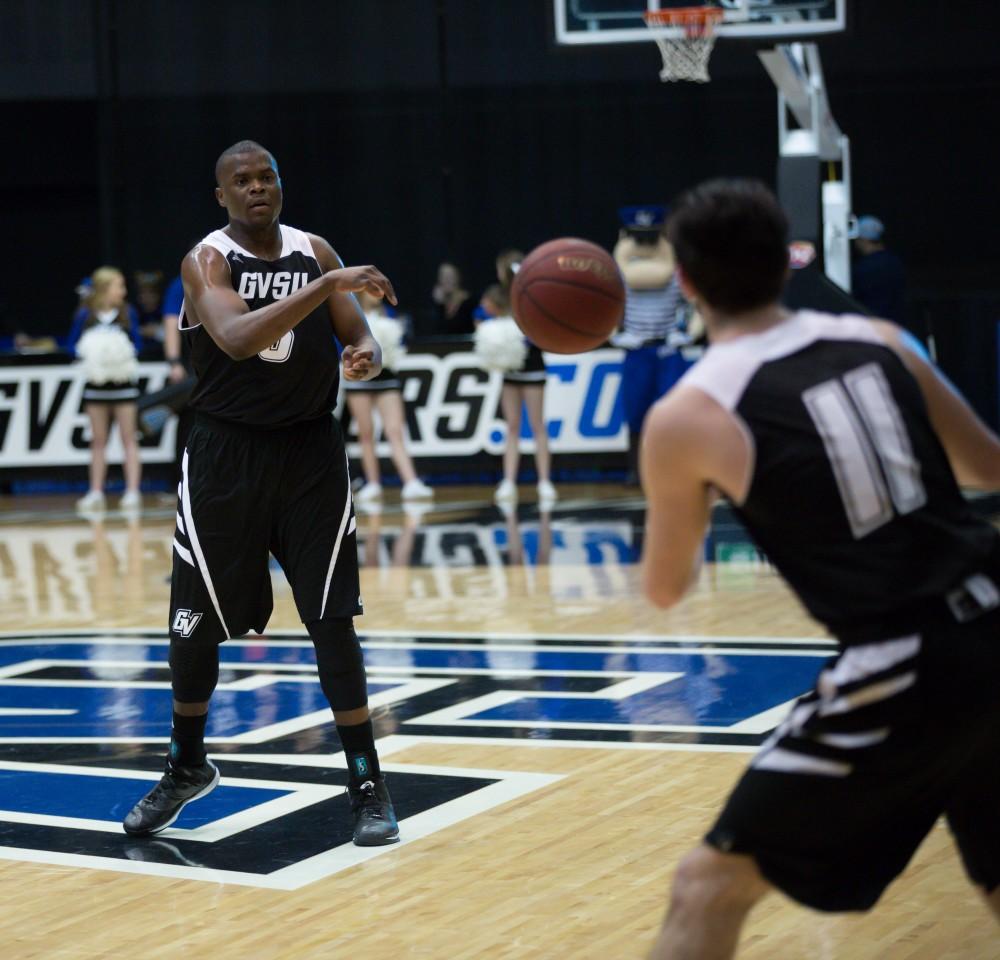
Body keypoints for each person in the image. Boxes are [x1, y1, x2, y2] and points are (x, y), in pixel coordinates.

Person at [641, 179, 1000, 959]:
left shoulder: (691, 412)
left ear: (687, 281)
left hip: (910, 658)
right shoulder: (885, 340)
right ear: (788, 262)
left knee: (707, 887)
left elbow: (665, 589)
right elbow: (990, 467)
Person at [121, 140, 400, 847]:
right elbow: (239, 338)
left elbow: (352, 328)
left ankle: (367, 782)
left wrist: (361, 349)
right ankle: (186, 764)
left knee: (332, 621)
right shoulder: (206, 260)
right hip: (224, 459)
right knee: (192, 625)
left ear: (280, 184)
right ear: (221, 195)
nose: (255, 188)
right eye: (240, 181)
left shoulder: (315, 249)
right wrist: (328, 289)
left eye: (266, 177)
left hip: (310, 453)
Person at [612, 205, 690, 484]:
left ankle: (677, 467)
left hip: (667, 349)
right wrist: (615, 333)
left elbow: (692, 305)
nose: (645, 244)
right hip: (637, 348)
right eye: (638, 237)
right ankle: (636, 469)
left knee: (675, 412)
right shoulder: (618, 275)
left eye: (651, 237)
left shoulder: (678, 274)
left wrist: (687, 332)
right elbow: (611, 307)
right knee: (635, 412)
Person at [346, 289, 433, 506]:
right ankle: (373, 484)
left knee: (395, 431)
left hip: (387, 379)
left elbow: (400, 345)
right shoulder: (352, 315)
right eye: (371, 291)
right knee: (366, 433)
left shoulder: (391, 317)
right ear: (361, 294)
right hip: (359, 379)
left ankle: (410, 482)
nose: (376, 295)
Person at [484, 249, 557, 507]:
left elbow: (546, 327)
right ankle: (508, 481)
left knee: (537, 424)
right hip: (510, 369)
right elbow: (482, 317)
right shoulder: (499, 296)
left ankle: (545, 481)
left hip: (533, 366)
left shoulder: (535, 293)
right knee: (512, 425)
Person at [68, 266, 143, 512]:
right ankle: (96, 492)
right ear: (104, 289)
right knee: (98, 440)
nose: (123, 291)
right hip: (96, 388)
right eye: (118, 286)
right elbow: (72, 346)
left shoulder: (127, 312)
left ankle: (132, 491)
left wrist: (118, 353)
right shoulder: (85, 314)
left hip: (124, 388)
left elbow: (137, 345)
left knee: (128, 438)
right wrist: (93, 353)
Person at [851, 214, 905, 324]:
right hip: (895, 328)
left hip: (871, 327)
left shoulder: (863, 268)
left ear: (862, 239)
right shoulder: (895, 263)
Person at [429, 261, 475, 335]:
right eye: (443, 276)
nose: (447, 280)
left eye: (450, 276)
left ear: (458, 277)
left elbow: (454, 330)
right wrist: (439, 305)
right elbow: (433, 333)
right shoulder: (437, 303)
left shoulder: (469, 303)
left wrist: (440, 306)